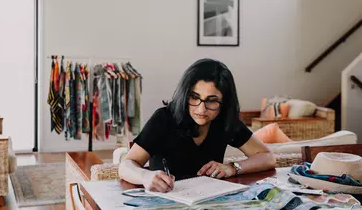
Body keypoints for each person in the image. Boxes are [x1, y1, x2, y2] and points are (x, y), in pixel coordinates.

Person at [118, 58, 276, 193]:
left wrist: (232, 167)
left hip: (211, 200)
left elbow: (267, 157)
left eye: (212, 100)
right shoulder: (164, 119)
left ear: (224, 103)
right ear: (185, 94)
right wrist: (145, 176)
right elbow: (125, 165)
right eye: (194, 97)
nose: (201, 109)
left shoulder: (224, 121)